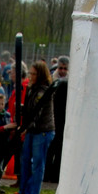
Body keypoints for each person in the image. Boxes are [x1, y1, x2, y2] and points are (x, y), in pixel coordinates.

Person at [14, 60, 55, 194]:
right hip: (33, 130)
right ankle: (23, 189)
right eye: (30, 73)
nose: (31, 76)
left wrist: (25, 127)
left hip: (42, 130)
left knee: (37, 162)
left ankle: (32, 192)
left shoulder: (43, 91)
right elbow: (31, 109)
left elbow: (37, 112)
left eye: (34, 74)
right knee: (25, 159)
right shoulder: (33, 88)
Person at [45, 55, 69, 183]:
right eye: (60, 68)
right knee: (51, 148)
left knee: (60, 148)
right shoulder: (52, 81)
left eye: (65, 69)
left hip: (63, 119)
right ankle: (47, 173)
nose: (62, 71)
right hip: (53, 119)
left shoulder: (71, 82)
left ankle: (55, 174)